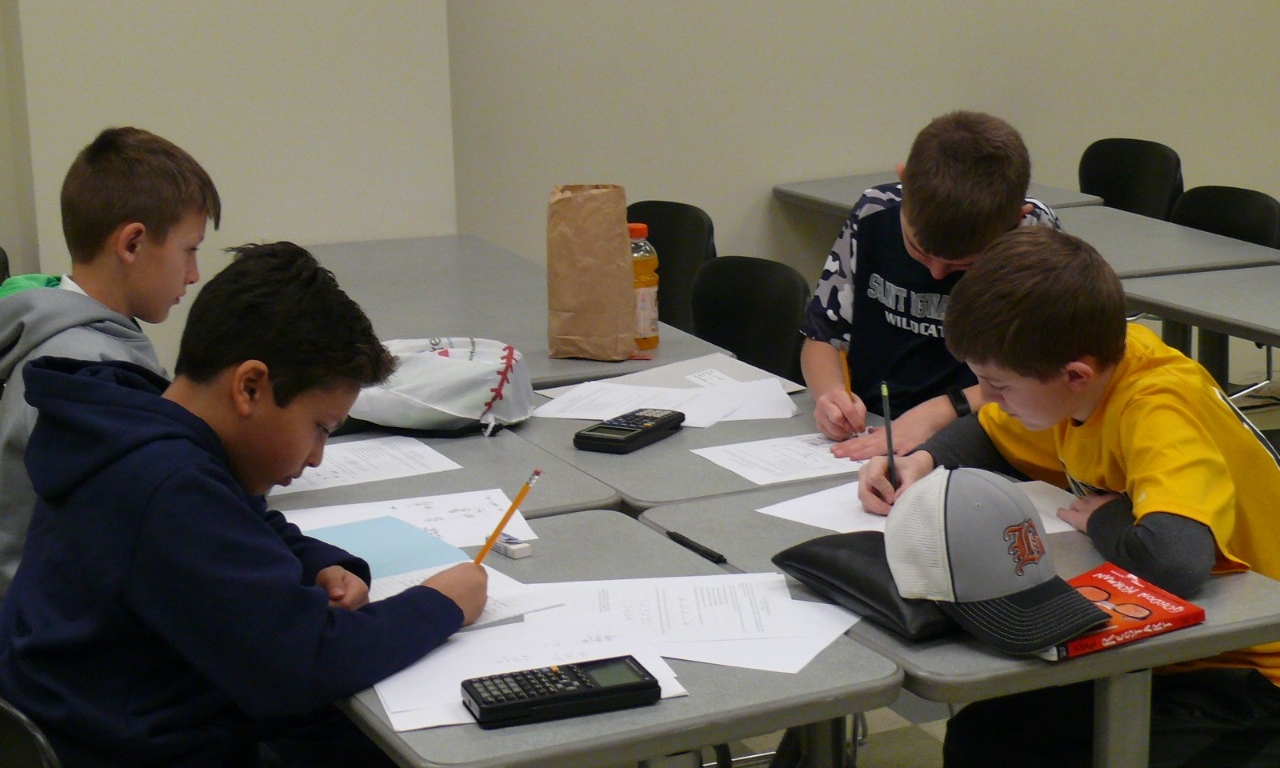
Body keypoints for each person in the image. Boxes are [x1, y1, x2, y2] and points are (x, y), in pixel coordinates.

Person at [0, 242, 489, 767]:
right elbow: (304, 664)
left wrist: (321, 563)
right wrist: (442, 604)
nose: (318, 457)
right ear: (250, 386)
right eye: (319, 428)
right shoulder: (167, 486)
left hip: (104, 728)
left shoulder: (134, 427)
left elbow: (243, 517)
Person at [859, 228, 1280, 767]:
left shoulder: (1158, 404)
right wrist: (923, 460)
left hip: (1252, 675)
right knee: (989, 726)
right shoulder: (1081, 386)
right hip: (1176, 646)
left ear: (1075, 375)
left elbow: (1175, 557)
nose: (986, 399)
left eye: (999, 386)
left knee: (1002, 744)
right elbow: (991, 433)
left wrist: (1106, 519)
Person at [0, 126, 221, 601]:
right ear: (133, 244)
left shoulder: (72, 326)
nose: (194, 274)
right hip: (53, 629)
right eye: (190, 249)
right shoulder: (84, 369)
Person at [800, 110, 1060, 462]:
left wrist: (939, 413)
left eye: (961, 264)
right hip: (877, 428)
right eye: (920, 251)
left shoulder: (1034, 238)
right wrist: (830, 397)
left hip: (981, 435)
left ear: (1015, 218)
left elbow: (1043, 376)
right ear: (905, 183)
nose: (937, 274)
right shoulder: (874, 211)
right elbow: (823, 336)